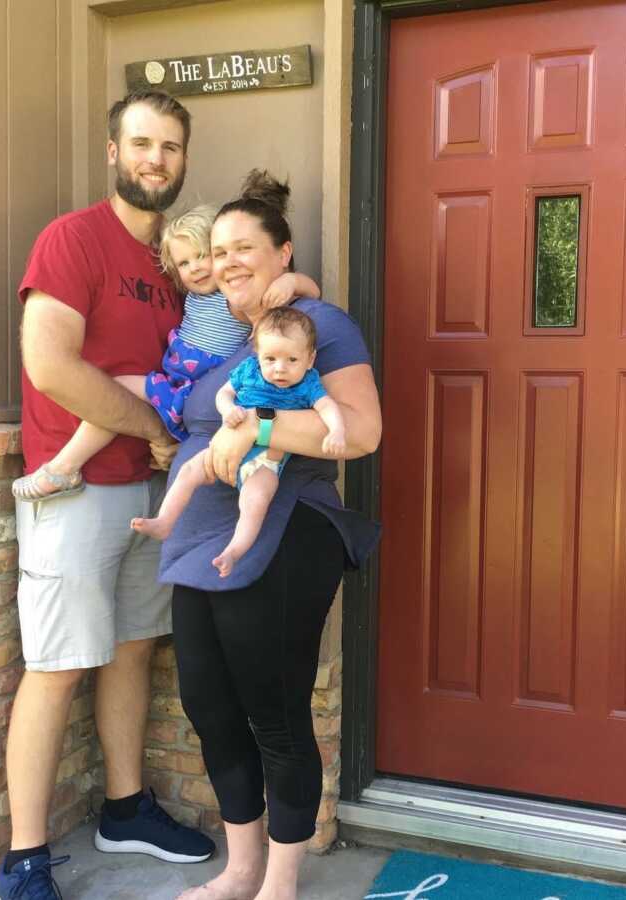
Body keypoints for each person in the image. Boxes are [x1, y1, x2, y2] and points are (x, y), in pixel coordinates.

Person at [0, 91, 216, 900]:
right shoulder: (73, 239)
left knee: (130, 650)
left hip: (146, 493)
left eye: (171, 145)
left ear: (184, 160)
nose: (156, 157)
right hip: (76, 487)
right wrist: (149, 426)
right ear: (113, 152)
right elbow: (49, 366)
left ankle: (124, 808)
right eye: (142, 143)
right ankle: (21, 862)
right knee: (56, 665)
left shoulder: (173, 266)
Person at [161, 170, 382, 900]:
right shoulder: (228, 332)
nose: (227, 260)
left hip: (285, 532)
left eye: (244, 247)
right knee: (209, 705)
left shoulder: (322, 326)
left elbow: (361, 431)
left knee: (274, 713)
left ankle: (279, 884)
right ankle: (241, 869)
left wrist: (256, 426)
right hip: (198, 543)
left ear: (282, 254)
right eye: (218, 249)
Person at [11, 205, 319, 502]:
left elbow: (309, 292)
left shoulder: (235, 298)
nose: (195, 268)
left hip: (192, 389)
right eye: (184, 264)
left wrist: (291, 280)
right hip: (170, 379)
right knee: (111, 393)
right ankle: (65, 466)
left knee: (120, 394)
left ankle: (63, 468)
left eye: (203, 256)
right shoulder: (190, 296)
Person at [132, 307, 347, 579]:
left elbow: (327, 406)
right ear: (257, 354)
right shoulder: (249, 371)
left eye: (292, 359)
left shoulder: (307, 384)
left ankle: (234, 551)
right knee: (188, 472)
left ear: (310, 359)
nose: (280, 368)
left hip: (264, 462)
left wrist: (336, 431)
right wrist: (227, 409)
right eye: (270, 358)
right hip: (221, 450)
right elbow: (224, 393)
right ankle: (164, 521)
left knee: (255, 502)